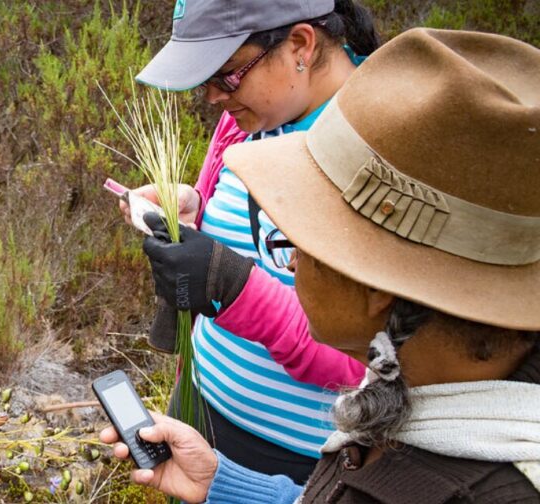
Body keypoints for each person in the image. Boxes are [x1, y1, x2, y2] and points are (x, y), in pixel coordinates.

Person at [103, 28, 540, 503]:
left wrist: (235, 285)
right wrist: (222, 482)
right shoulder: (412, 432)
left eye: (297, 242)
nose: (288, 263)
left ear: (375, 286)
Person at [123, 0, 379, 482]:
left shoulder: (378, 149)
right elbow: (249, 230)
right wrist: (197, 208)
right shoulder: (247, 120)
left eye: (228, 74)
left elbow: (370, 361)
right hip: (199, 407)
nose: (213, 95)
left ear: (300, 45)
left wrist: (235, 285)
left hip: (299, 460)